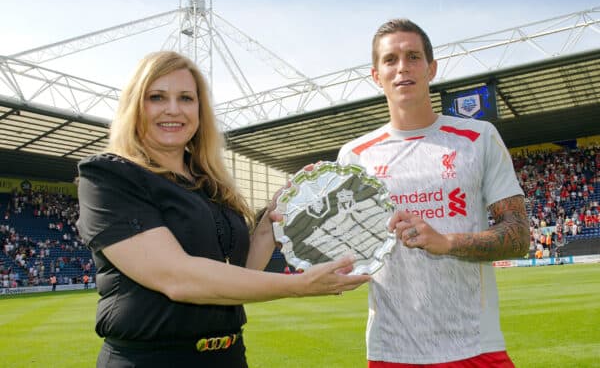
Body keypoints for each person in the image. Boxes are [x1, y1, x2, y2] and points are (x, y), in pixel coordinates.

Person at [76, 51, 370, 368]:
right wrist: (298, 286)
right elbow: (176, 277)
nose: (173, 109)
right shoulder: (109, 176)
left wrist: (274, 217)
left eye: (186, 98)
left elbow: (240, 274)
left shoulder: (210, 183)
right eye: (157, 97)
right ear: (134, 106)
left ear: (200, 110)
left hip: (229, 356)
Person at [337, 19, 529, 367]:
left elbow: (518, 237)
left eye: (412, 56)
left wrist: (448, 242)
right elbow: (347, 252)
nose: (402, 68)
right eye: (390, 60)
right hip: (391, 349)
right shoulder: (354, 156)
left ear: (431, 68)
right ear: (376, 75)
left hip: (475, 344)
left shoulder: (479, 137)